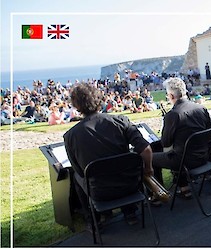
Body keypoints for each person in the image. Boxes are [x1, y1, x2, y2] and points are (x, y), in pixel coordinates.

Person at [63, 83, 154, 230]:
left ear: (76, 106)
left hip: (100, 192)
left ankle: (94, 220)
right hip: (131, 185)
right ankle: (130, 212)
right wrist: (148, 169)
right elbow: (146, 150)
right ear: (99, 100)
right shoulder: (121, 121)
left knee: (76, 177)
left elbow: (80, 171)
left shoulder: (71, 136)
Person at [152, 77, 211, 199]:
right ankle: (184, 187)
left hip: (185, 161)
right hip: (204, 156)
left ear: (171, 96)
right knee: (181, 147)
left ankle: (158, 196)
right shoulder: (201, 108)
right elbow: (209, 131)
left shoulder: (173, 114)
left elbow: (165, 142)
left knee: (149, 157)